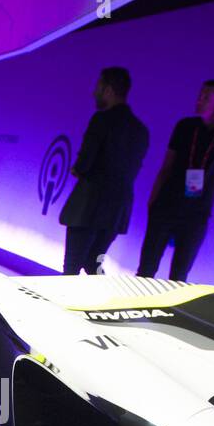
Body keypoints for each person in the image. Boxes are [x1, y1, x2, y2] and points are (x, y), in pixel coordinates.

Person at [137, 79, 214, 280]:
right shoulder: (185, 125)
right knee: (145, 270)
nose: (199, 100)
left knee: (179, 276)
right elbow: (166, 166)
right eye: (199, 95)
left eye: (206, 96)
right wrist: (153, 201)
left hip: (196, 215)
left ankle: (167, 311)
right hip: (166, 205)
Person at [59, 66, 150, 275]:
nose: (94, 92)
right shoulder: (141, 130)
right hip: (117, 210)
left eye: (98, 87)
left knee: (72, 266)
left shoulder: (101, 120)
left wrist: (77, 169)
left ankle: (64, 303)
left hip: (89, 205)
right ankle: (95, 305)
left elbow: (85, 164)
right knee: (94, 264)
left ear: (108, 90)